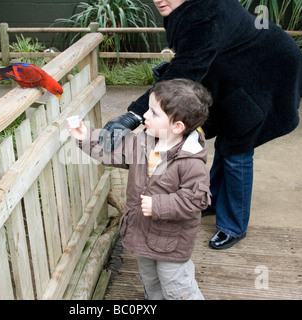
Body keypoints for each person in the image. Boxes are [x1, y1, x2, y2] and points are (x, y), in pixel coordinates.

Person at [98, 0, 302, 249]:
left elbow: (184, 73)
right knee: (228, 138)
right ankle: (211, 201)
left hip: (265, 74)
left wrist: (134, 115)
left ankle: (233, 225)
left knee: (238, 148)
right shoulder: (187, 8)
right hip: (236, 73)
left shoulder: (206, 14)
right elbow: (197, 55)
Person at [68, 78, 212, 300]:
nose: (145, 115)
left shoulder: (190, 161)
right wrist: (85, 136)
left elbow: (197, 200)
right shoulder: (143, 142)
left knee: (176, 285)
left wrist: (160, 205)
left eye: (154, 113)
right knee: (150, 279)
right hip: (143, 233)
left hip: (171, 244)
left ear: (177, 126)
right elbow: (112, 149)